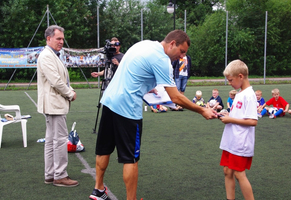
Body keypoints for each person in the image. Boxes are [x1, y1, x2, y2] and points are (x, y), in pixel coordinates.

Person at [89, 30, 217, 200]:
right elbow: (175, 97)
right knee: (130, 159)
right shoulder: (162, 60)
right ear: (172, 43)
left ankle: (98, 189)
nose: (181, 57)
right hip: (127, 110)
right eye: (182, 51)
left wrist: (146, 85)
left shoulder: (144, 44)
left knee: (104, 149)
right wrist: (202, 110)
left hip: (109, 101)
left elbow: (134, 71)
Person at [37, 25, 78, 187]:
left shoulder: (51, 55)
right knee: (60, 140)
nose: (62, 41)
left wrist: (70, 89)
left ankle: (50, 174)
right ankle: (60, 175)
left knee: (51, 140)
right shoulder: (47, 56)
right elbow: (56, 81)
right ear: (48, 38)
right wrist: (70, 93)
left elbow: (61, 79)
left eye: (62, 38)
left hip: (53, 104)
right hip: (54, 104)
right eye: (58, 38)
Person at [218, 59, 258, 200]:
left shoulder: (249, 95)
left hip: (241, 142)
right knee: (227, 171)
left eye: (230, 80)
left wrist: (230, 119)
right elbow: (240, 115)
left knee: (239, 173)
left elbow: (253, 121)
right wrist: (228, 115)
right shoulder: (240, 93)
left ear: (240, 76)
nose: (229, 83)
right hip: (231, 140)